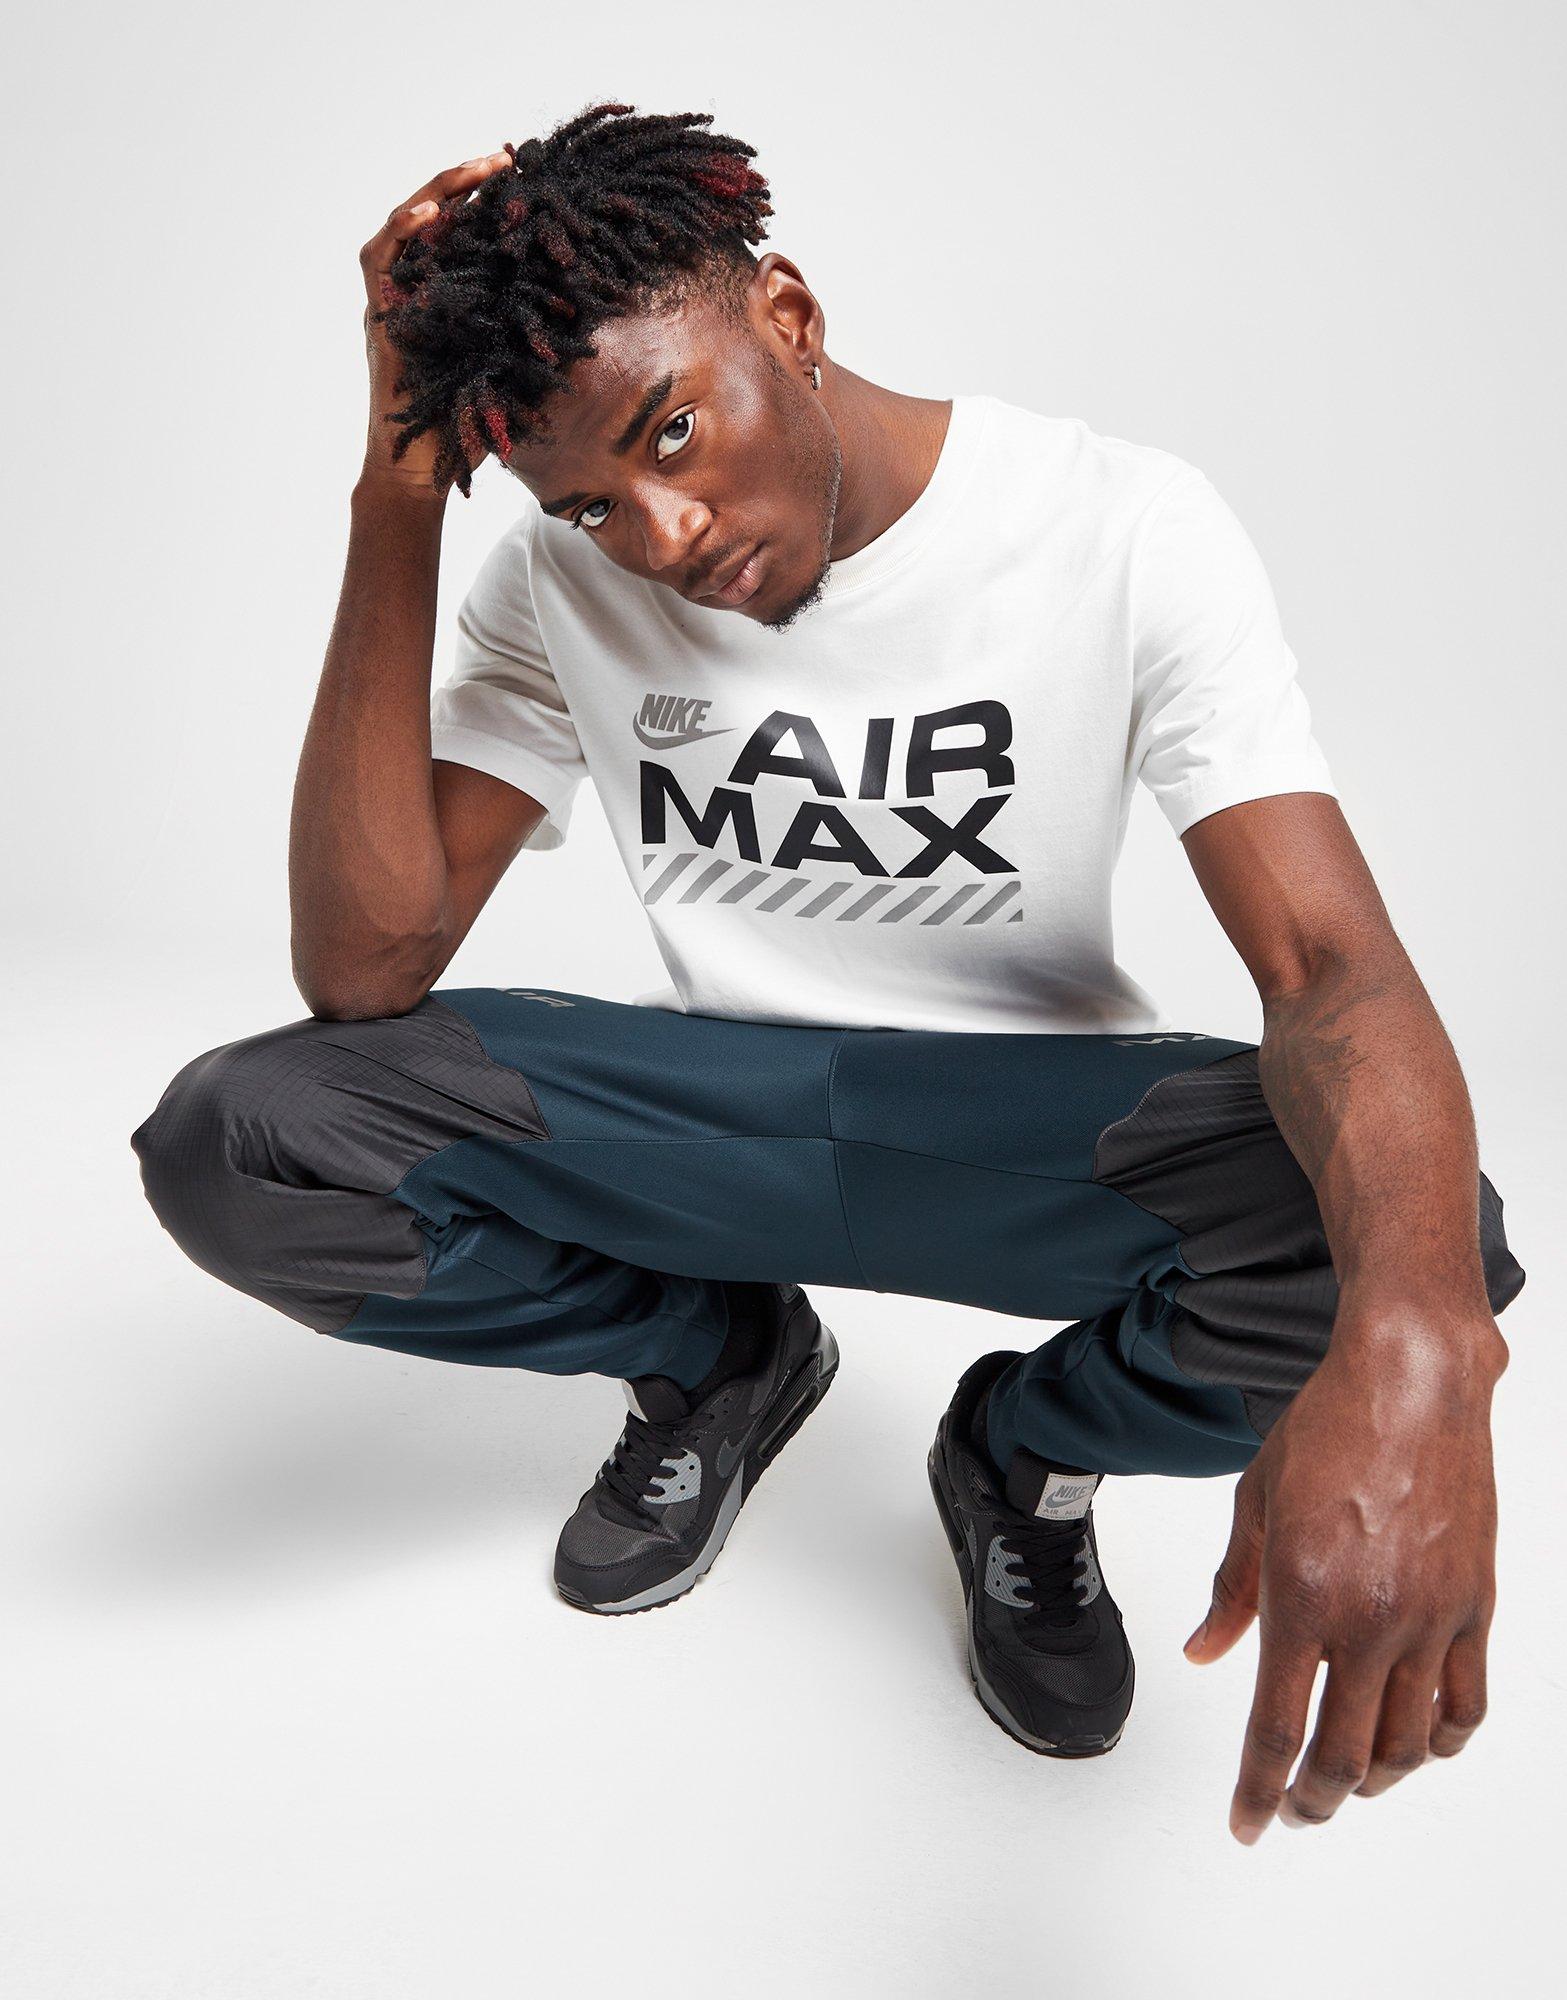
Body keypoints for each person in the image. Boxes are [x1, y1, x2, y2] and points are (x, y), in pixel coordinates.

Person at [130, 103, 1525, 1841]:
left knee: (1423, 1235)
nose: (661, 532)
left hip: (1025, 1136)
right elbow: (365, 964)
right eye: (593, 501)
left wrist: (1417, 1359)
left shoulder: (1117, 523)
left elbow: (1328, 966)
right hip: (720, 1124)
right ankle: (716, 1354)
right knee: (242, 1139)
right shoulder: (559, 582)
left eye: (675, 430)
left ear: (786, 315)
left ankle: (1028, 1454)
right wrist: (397, 487)